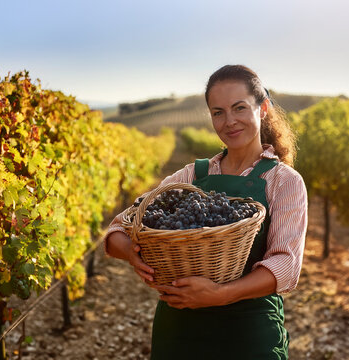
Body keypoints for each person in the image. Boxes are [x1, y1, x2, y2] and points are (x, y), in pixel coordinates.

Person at [103, 64, 308, 359]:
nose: (229, 121)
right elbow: (115, 231)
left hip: (248, 334)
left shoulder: (283, 181)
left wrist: (220, 294)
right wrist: (134, 254)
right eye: (218, 112)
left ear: (262, 109)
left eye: (239, 108)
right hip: (178, 331)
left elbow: (287, 267)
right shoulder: (191, 176)